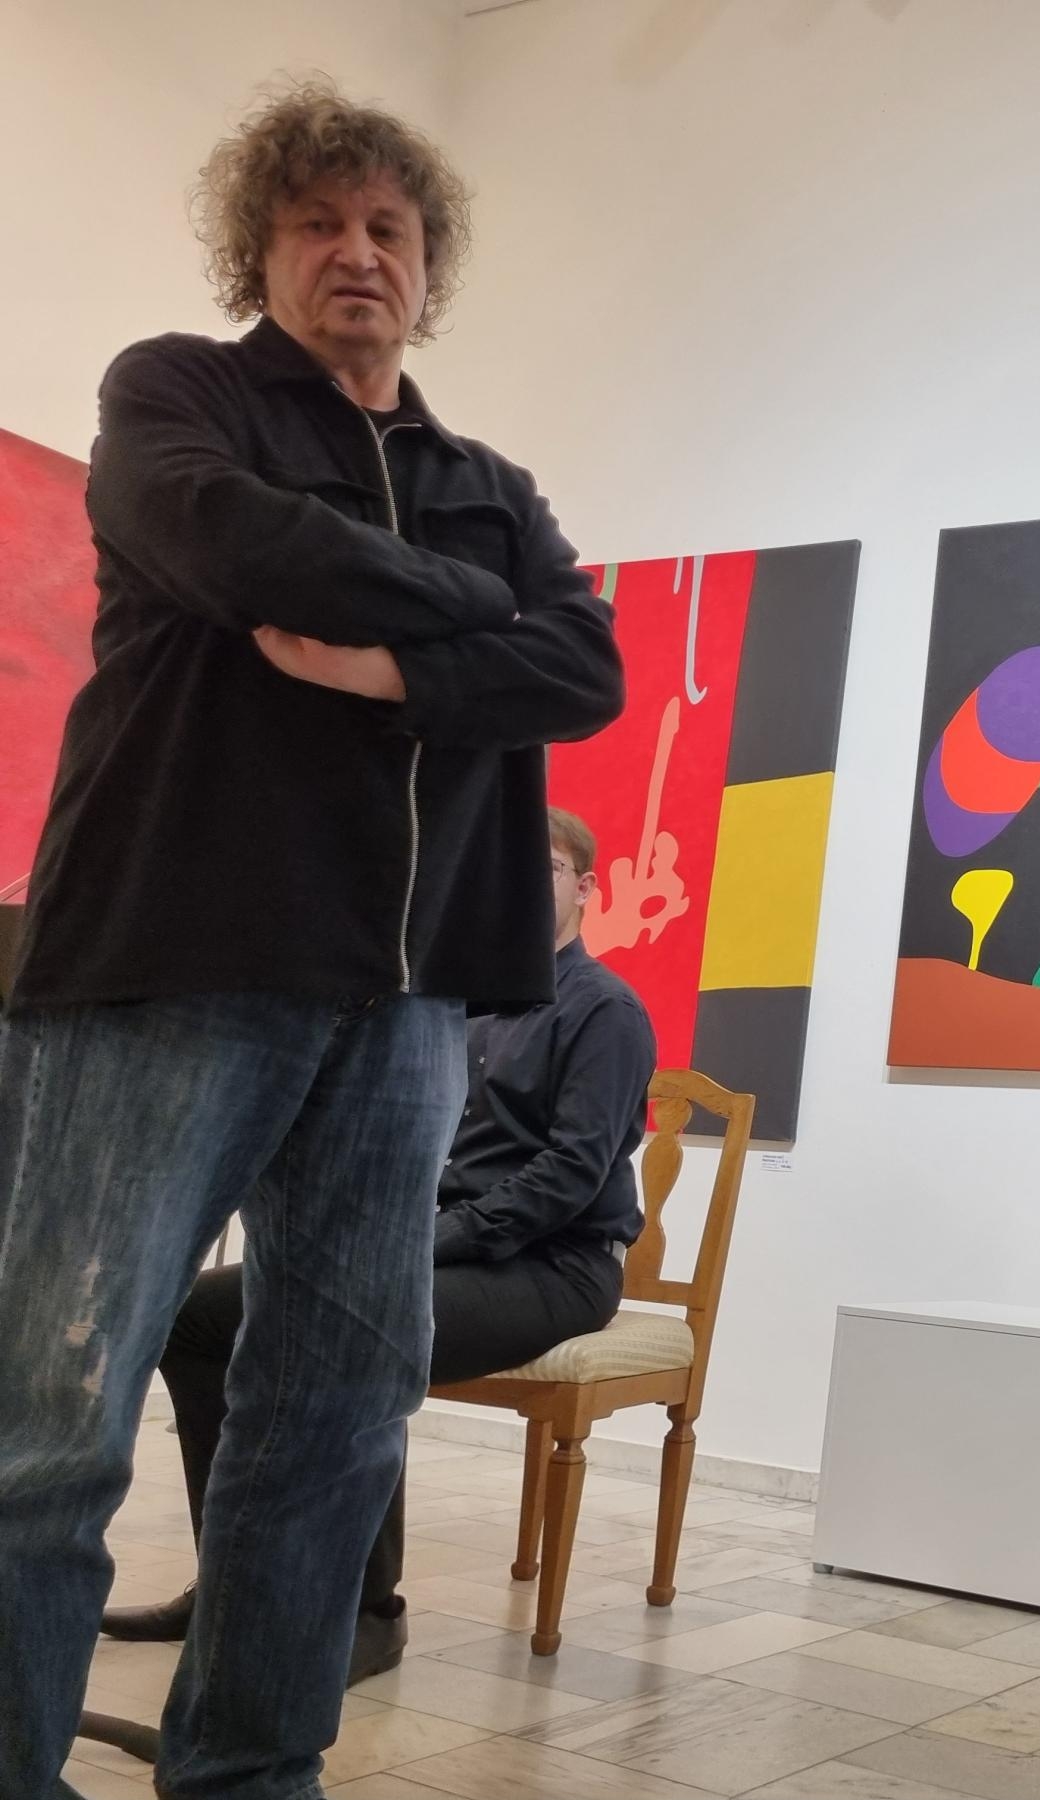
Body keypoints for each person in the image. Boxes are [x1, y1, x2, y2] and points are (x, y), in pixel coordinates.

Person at [0, 82, 622, 1799]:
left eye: (388, 228)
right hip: (170, 965)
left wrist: (396, 662)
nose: (358, 251)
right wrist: (480, 619)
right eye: (319, 222)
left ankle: (252, 1775)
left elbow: (588, 668)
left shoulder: (486, 480)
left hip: (408, 1002)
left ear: (429, 266)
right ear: (258, 250)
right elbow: (224, 537)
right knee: (52, 1423)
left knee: (337, 1426)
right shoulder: (175, 394)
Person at [98, 808, 656, 1681]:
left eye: (544, 867)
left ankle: (366, 1613)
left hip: (554, 1265)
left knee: (356, 1320)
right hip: (433, 1245)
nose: (518, 882)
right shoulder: (452, 1005)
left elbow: (570, 1176)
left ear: (585, 888)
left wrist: (422, 1242)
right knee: (192, 1320)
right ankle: (235, 1586)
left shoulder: (605, 1011)